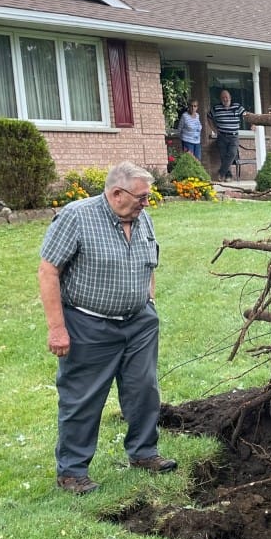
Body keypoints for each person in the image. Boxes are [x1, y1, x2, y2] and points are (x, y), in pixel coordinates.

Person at [37, 162, 177, 495]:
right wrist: (58, 328)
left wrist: (149, 302)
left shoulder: (143, 219)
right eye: (141, 198)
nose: (147, 203)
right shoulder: (76, 217)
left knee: (144, 389)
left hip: (139, 323)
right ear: (116, 193)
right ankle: (72, 472)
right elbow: (48, 272)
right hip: (89, 324)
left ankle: (144, 453)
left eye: (148, 198)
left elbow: (149, 263)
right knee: (83, 398)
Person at [207, 88, 247, 180]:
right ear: (221, 99)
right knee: (223, 156)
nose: (225, 99)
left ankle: (221, 173)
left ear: (230, 97)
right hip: (222, 136)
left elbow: (246, 116)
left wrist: (253, 124)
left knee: (232, 153)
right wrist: (214, 129)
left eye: (226, 97)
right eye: (223, 97)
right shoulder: (216, 108)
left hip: (234, 136)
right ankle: (228, 175)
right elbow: (209, 117)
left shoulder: (237, 107)